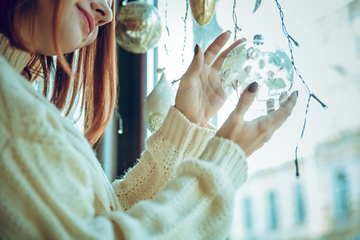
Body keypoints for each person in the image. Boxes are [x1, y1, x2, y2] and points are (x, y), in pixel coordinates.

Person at [0, 0, 298, 239]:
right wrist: (220, 166)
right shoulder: (12, 114)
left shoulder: (19, 102)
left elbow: (107, 218)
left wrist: (187, 124)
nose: (106, 13)